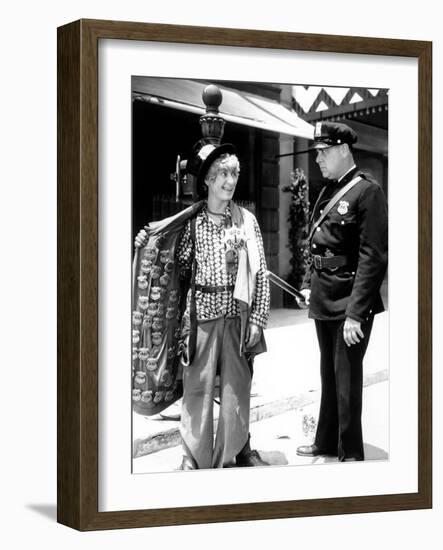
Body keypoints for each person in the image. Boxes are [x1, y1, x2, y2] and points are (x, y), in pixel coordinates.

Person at [134, 142, 270, 470]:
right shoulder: (193, 224)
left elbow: (261, 271)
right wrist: (145, 243)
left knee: (237, 392)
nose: (230, 180)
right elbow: (174, 266)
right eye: (222, 173)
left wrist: (257, 318)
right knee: (197, 392)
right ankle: (193, 457)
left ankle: (233, 453)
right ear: (207, 180)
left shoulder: (246, 220)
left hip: (237, 318)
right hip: (201, 318)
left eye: (234, 173)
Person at [296, 122, 388, 462]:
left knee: (347, 381)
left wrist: (355, 313)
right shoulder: (328, 190)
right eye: (317, 153)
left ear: (343, 150)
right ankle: (325, 441)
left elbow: (373, 257)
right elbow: (317, 243)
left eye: (324, 152)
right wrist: (308, 284)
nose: (318, 159)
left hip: (350, 301)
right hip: (324, 297)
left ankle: (350, 453)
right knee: (329, 375)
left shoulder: (368, 192)